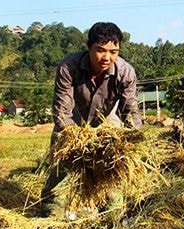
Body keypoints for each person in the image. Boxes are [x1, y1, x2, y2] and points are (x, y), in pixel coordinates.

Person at [40, 22, 142, 207]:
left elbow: (130, 109)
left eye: (114, 52)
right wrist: (75, 138)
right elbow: (62, 110)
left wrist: (133, 139)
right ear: (89, 48)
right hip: (74, 117)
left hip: (107, 119)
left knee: (112, 170)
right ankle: (51, 214)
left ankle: (112, 216)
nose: (107, 57)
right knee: (60, 169)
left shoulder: (125, 72)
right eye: (101, 50)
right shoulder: (68, 67)